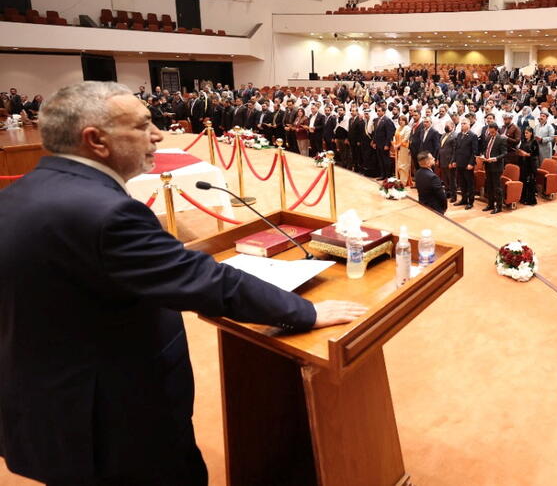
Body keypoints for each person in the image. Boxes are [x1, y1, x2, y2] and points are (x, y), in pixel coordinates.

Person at [0, 82, 367, 485]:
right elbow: (204, 281)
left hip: (48, 408)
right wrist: (306, 311)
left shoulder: (17, 195)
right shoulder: (107, 213)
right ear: (96, 140)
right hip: (113, 425)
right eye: (142, 126)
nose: (157, 134)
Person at [452, 118, 478, 209]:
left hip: (468, 164)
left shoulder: (473, 135)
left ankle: (470, 202)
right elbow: (456, 149)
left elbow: (474, 151)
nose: (462, 125)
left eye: (464, 123)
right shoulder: (458, 135)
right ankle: (463, 199)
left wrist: (471, 163)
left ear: (469, 124)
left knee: (469, 183)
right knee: (462, 183)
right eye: (461, 123)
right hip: (459, 162)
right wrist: (454, 160)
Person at [481, 122, 507, 214]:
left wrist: (495, 158)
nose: (491, 133)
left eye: (492, 132)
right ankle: (490, 204)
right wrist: (483, 155)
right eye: (490, 132)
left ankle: (499, 207)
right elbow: (486, 149)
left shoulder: (501, 139)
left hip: (496, 166)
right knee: (489, 186)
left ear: (496, 130)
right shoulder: (488, 137)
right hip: (488, 165)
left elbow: (504, 153)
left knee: (497, 187)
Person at [517, 126, 541, 206]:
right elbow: (520, 149)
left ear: (531, 133)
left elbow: (536, 154)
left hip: (531, 164)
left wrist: (527, 154)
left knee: (530, 182)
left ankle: (530, 200)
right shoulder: (523, 141)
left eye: (527, 133)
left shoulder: (534, 141)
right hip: (523, 164)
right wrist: (520, 152)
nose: (525, 134)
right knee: (523, 180)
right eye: (525, 133)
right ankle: (523, 198)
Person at [393, 113, 413, 185]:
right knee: (398, 164)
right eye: (400, 120)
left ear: (405, 121)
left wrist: (398, 145)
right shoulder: (398, 128)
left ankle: (403, 182)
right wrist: (395, 144)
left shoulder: (407, 128)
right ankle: (398, 179)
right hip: (397, 148)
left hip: (404, 148)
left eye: (402, 120)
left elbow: (405, 139)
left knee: (404, 164)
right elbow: (394, 137)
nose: (401, 121)